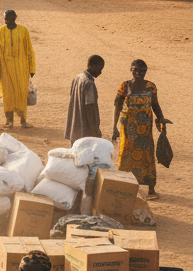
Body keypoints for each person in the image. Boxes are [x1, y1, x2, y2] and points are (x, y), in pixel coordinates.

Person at [112, 59, 168, 199]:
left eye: (142, 70)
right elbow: (117, 107)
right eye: (136, 70)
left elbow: (155, 105)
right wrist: (114, 127)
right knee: (125, 157)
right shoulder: (124, 86)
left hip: (144, 130)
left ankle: (151, 189)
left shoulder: (151, 87)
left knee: (147, 158)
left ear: (146, 71)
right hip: (127, 129)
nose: (139, 73)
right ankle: (122, 187)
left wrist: (161, 118)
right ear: (131, 70)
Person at [0, 9, 36, 129]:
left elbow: (29, 49)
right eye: (5, 17)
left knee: (21, 94)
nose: (7, 19)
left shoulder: (23, 30)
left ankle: (23, 121)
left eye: (10, 17)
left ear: (15, 17)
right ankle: (9, 120)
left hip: (22, 67)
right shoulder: (0, 32)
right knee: (7, 95)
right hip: (5, 68)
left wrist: (32, 67)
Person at [65, 55, 105, 143]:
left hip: (75, 129)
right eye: (99, 68)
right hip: (85, 131)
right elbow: (89, 107)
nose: (100, 72)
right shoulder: (89, 83)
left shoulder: (78, 77)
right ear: (91, 66)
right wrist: (94, 130)